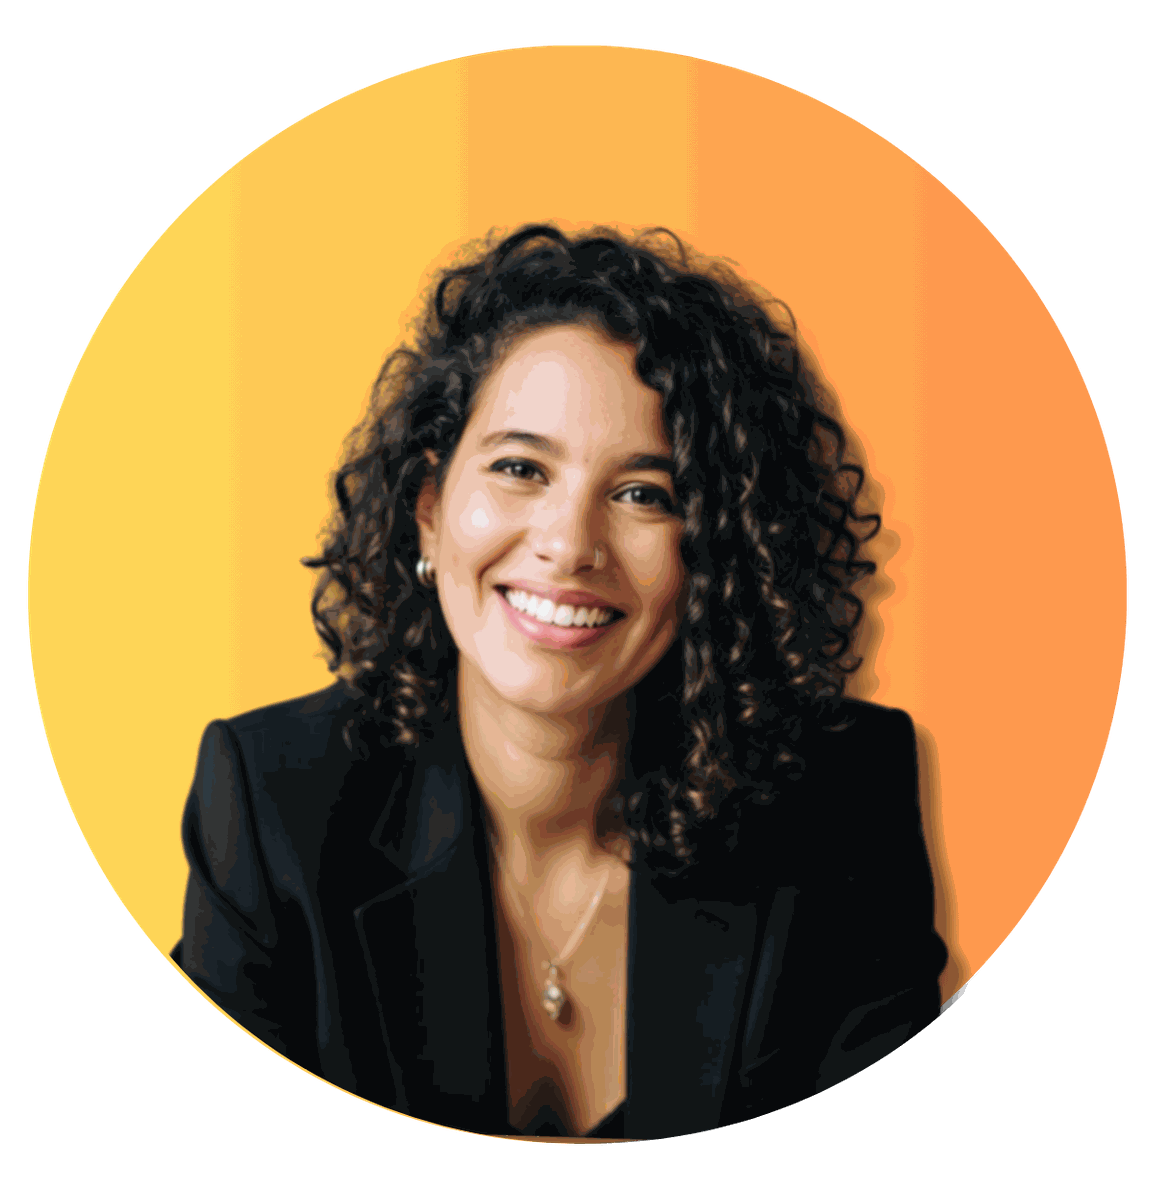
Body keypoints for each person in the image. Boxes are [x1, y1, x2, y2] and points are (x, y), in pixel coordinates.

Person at [171, 223, 948, 1141]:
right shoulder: (273, 804)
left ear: (716, 554)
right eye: (519, 468)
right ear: (429, 512)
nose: (569, 545)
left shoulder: (841, 798)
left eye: (645, 493)